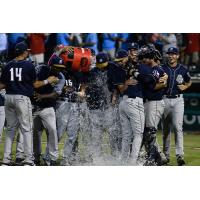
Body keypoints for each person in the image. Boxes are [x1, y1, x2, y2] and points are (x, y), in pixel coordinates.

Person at [0, 42, 59, 166]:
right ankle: (28, 159)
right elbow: (35, 84)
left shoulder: (8, 65)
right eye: (27, 51)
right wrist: (48, 80)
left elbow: (2, 85)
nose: (28, 52)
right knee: (27, 129)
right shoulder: (28, 65)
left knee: (10, 130)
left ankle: (6, 160)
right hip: (22, 98)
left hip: (8, 98)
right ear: (23, 52)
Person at [112, 49, 145, 165]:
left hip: (123, 103)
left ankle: (123, 161)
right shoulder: (123, 69)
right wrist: (127, 82)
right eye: (118, 61)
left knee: (126, 135)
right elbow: (121, 88)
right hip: (133, 102)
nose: (120, 62)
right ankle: (132, 162)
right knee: (138, 134)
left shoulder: (120, 69)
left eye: (121, 60)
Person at [138, 45, 168, 165]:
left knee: (150, 132)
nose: (143, 59)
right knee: (147, 132)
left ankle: (153, 158)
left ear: (152, 57)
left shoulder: (156, 70)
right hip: (149, 102)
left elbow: (154, 86)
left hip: (154, 102)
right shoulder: (151, 70)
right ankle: (160, 157)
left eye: (146, 57)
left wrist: (164, 83)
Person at [32, 56, 65, 166]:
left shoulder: (61, 77)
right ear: (51, 65)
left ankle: (53, 158)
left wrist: (42, 96)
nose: (59, 70)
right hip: (34, 106)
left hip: (48, 107)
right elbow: (34, 84)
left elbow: (56, 94)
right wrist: (47, 81)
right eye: (57, 67)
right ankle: (36, 157)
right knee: (36, 133)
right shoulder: (41, 69)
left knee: (52, 131)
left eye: (61, 67)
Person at [162, 47, 192, 166]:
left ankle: (180, 156)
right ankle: (166, 156)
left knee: (178, 128)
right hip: (164, 99)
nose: (171, 56)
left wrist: (185, 86)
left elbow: (189, 81)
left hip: (178, 100)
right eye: (169, 54)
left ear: (178, 56)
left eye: (173, 54)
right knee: (165, 130)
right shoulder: (162, 68)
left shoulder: (183, 69)